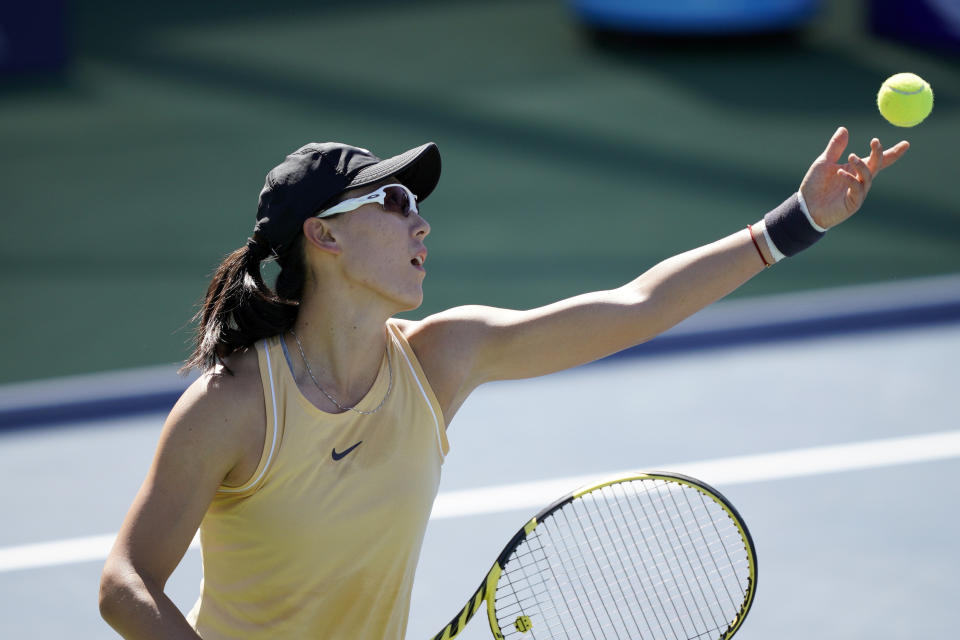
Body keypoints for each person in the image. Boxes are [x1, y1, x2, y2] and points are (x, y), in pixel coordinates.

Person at [98, 128, 909, 639]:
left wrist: (794, 222)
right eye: (393, 200)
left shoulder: (440, 361)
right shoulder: (236, 405)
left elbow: (637, 305)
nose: (420, 220)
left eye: (417, 201)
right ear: (324, 237)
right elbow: (126, 584)